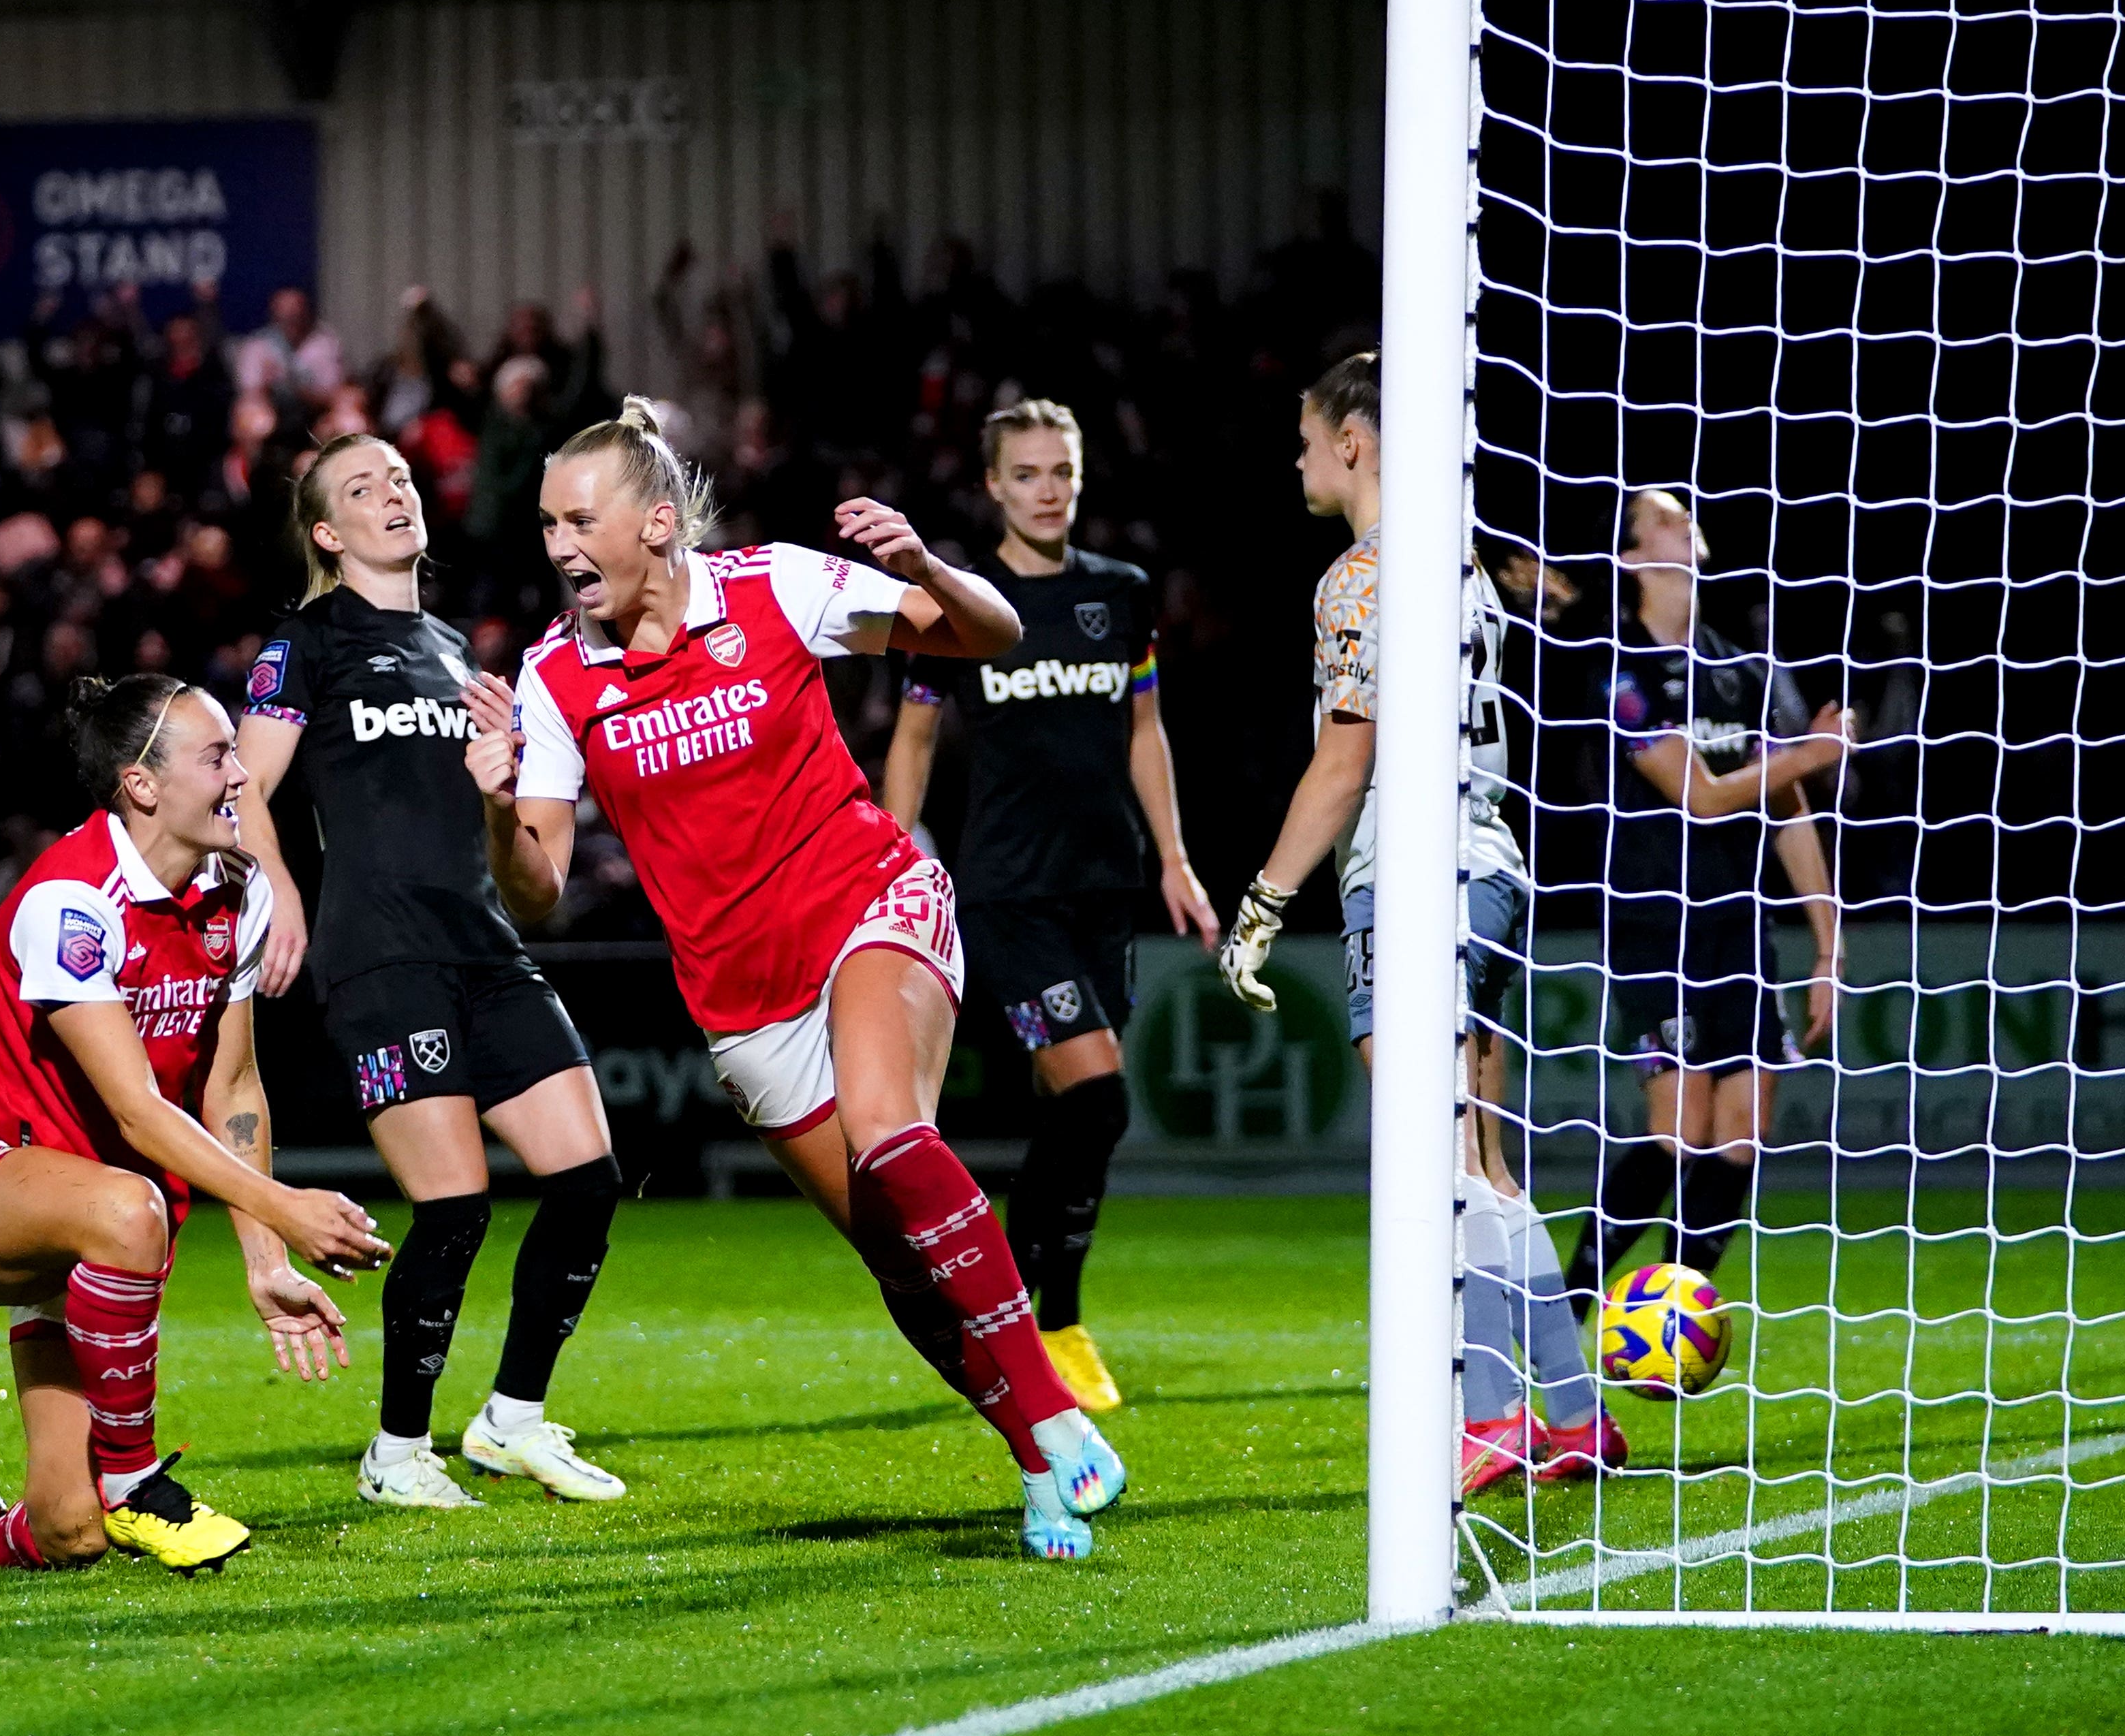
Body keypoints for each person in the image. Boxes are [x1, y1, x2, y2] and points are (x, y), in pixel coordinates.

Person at [470, 398, 1130, 1561]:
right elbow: (538, 892)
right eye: (545, 524)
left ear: (658, 522)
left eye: (581, 518)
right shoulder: (555, 676)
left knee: (889, 1129)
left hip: (868, 898)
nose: (561, 545)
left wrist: (925, 561)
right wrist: (491, 800)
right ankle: (1036, 1457)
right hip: (745, 998)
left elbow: (990, 635)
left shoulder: (777, 585)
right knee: (900, 1263)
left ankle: (1051, 1411)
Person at [0, 674, 392, 1573]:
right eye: (216, 757)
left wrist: (264, 1255)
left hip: (93, 1212)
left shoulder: (234, 891)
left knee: (66, 1533)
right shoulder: (71, 901)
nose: (241, 777)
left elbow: (233, 1086)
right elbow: (135, 1107)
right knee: (136, 1207)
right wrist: (287, 1205)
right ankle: (135, 1485)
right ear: (141, 783)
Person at [1218, 353, 1620, 1492]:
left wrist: (1260, 903)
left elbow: (1346, 759)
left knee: (1428, 1159)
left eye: (1306, 435)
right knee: (1482, 1161)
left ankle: (1489, 1413)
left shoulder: (1363, 575)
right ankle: (1577, 1413)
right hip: (1490, 869)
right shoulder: (1466, 569)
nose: (1298, 457)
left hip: (1414, 875)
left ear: (1354, 439)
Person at [230, 434, 628, 1512]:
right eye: (363, 488)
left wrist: (501, 796)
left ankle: (511, 1423)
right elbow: (241, 783)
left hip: (485, 944)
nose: (393, 494)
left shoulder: (458, 651)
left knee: (587, 1180)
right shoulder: (305, 643)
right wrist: (281, 888)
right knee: (453, 1207)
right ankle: (398, 1450)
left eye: (400, 478)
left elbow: (520, 861)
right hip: (380, 954)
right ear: (327, 531)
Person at [880, 399, 1220, 1415]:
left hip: (1102, 883)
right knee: (1098, 1096)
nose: (1045, 489)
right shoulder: (961, 606)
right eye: (1025, 472)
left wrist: (1172, 855)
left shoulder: (1117, 595)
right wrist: (892, 862)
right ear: (992, 484)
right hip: (1005, 892)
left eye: (1059, 471)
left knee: (1070, 1115)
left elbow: (1144, 729)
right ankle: (1038, 1315)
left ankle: (1033, 1312)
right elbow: (910, 741)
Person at [1560, 486, 1848, 1308]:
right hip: (1658, 922)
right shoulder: (1621, 673)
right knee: (1679, 1130)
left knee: (1742, 1135)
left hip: (1739, 925)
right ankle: (1566, 1317)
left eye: (1684, 512)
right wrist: (1812, 752)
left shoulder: (1739, 667)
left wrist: (1828, 947)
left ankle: (1666, 1321)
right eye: (1659, 517)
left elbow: (1787, 814)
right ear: (1629, 556)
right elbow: (1705, 796)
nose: (1681, 519)